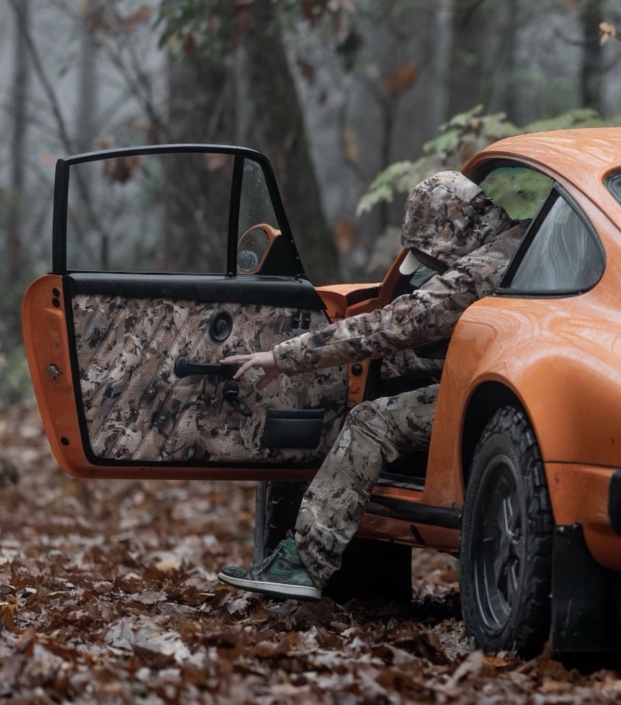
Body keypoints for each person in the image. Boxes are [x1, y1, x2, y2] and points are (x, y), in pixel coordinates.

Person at [217, 171, 527, 601]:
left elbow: (396, 324)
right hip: (522, 390)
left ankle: (303, 563)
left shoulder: (481, 272)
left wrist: (283, 357)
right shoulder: (524, 244)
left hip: (509, 401)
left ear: (449, 229)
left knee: (370, 421)